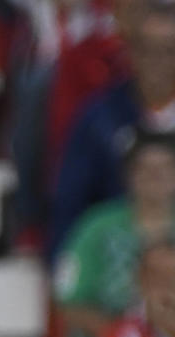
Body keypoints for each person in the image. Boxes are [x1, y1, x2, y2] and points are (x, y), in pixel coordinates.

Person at [53, 3, 175, 259]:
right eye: (146, 51)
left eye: (168, 51)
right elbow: (71, 200)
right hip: (113, 261)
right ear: (129, 52)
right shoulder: (98, 118)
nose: (158, 62)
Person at [54, 131, 175, 337]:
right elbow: (68, 302)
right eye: (146, 169)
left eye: (166, 168)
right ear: (129, 175)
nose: (156, 178)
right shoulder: (97, 227)